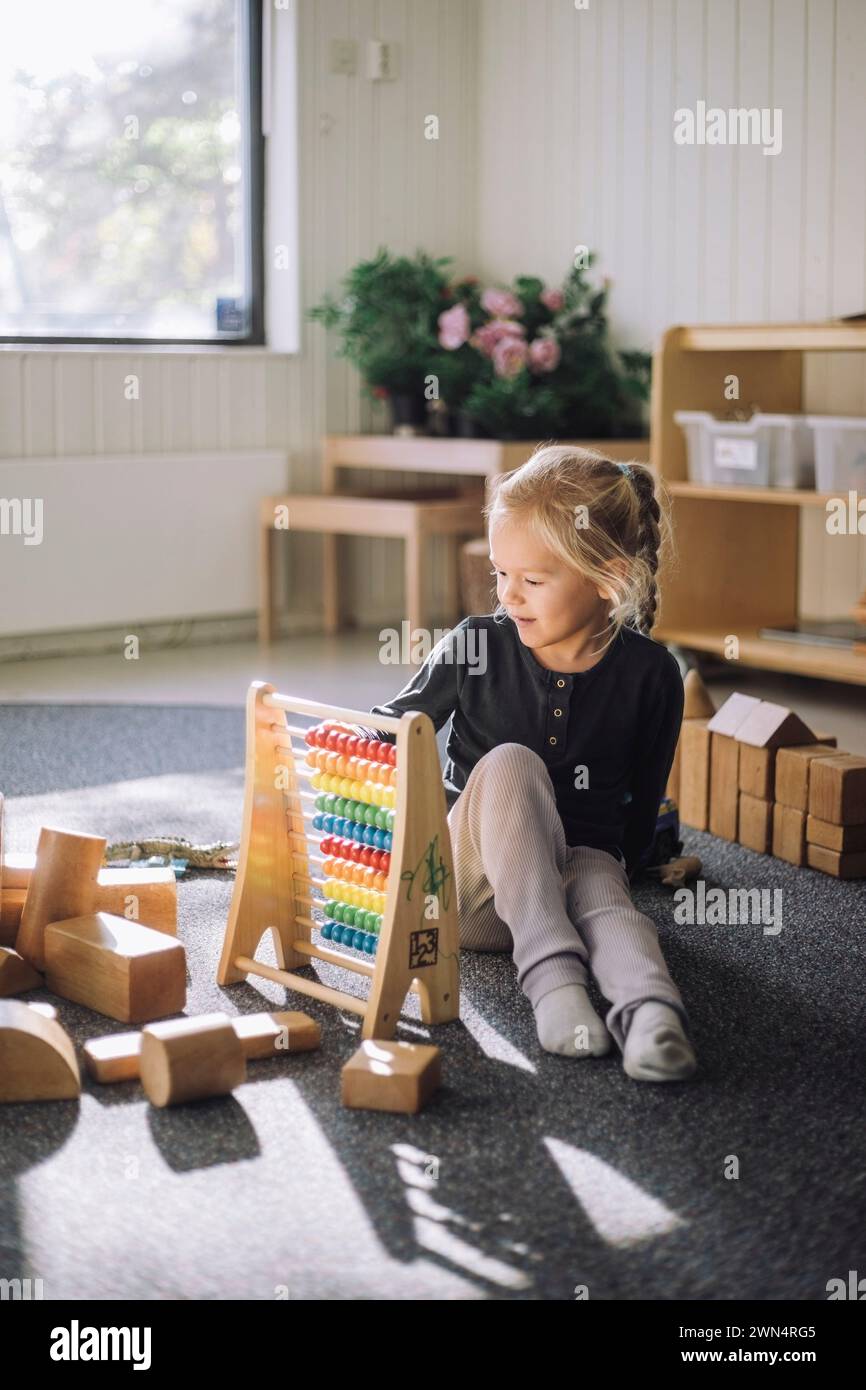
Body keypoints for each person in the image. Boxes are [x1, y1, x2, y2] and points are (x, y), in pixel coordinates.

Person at [353, 443, 696, 1083]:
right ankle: (554, 983)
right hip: (469, 894)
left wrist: (626, 861)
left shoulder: (653, 673)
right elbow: (397, 724)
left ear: (609, 580)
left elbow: (640, 806)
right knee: (512, 763)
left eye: (533, 581)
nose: (509, 595)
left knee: (607, 892)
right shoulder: (478, 644)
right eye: (500, 575)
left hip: (572, 874)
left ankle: (653, 1016)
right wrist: (348, 740)